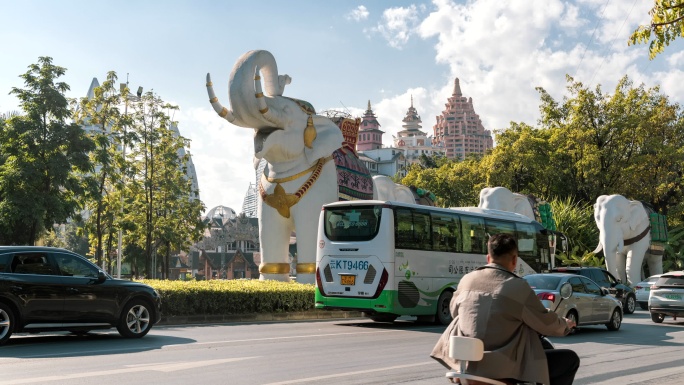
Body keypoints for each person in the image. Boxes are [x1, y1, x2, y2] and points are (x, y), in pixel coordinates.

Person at [431, 233, 580, 385]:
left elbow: (455, 312)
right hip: (501, 368)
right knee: (569, 360)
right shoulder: (517, 287)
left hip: (464, 365)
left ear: (488, 258)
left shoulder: (467, 280)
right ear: (515, 260)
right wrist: (565, 324)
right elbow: (545, 323)